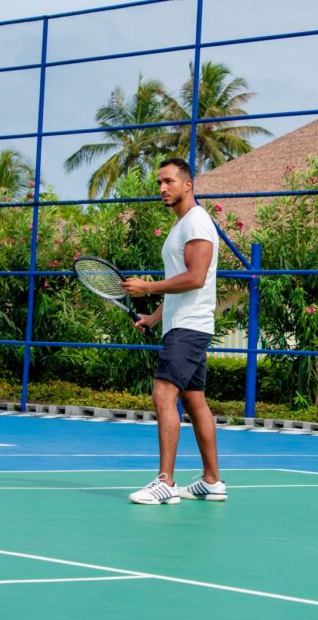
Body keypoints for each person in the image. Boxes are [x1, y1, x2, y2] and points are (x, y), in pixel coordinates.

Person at [120, 157, 225, 505]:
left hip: (188, 329)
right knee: (196, 403)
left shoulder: (196, 223)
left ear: (188, 184)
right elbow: (183, 285)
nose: (163, 189)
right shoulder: (181, 226)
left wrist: (149, 288)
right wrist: (153, 318)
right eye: (159, 183)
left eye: (169, 181)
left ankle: (165, 481)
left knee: (163, 395)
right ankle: (212, 481)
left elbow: (195, 277)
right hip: (184, 324)